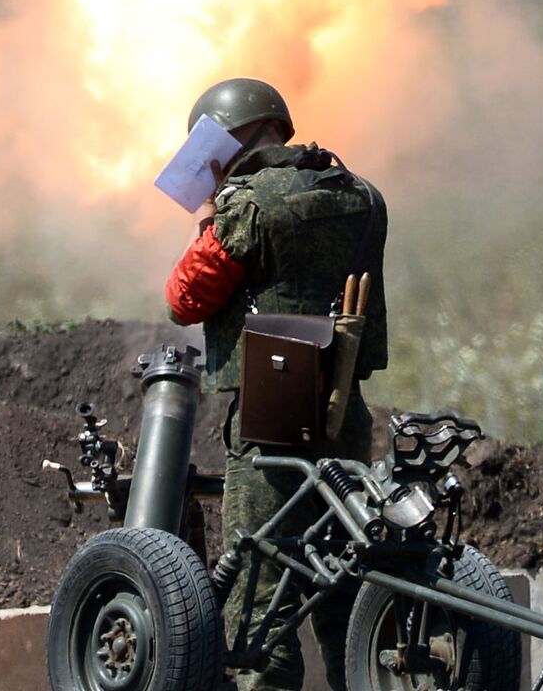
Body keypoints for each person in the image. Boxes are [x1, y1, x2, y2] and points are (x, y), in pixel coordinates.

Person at [164, 77, 387, 691]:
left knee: (261, 598)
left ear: (225, 138)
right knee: (348, 587)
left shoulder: (248, 205)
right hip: (345, 417)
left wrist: (210, 216)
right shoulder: (361, 195)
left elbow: (185, 298)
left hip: (273, 417)